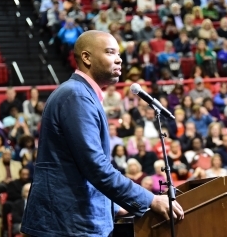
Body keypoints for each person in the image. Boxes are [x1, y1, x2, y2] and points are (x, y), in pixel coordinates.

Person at [20, 31, 184, 237]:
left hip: (72, 221)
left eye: (119, 53)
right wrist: (149, 199)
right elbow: (95, 166)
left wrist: (114, 206)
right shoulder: (76, 95)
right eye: (110, 52)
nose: (119, 58)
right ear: (86, 57)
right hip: (67, 225)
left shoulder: (80, 94)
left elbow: (76, 169)